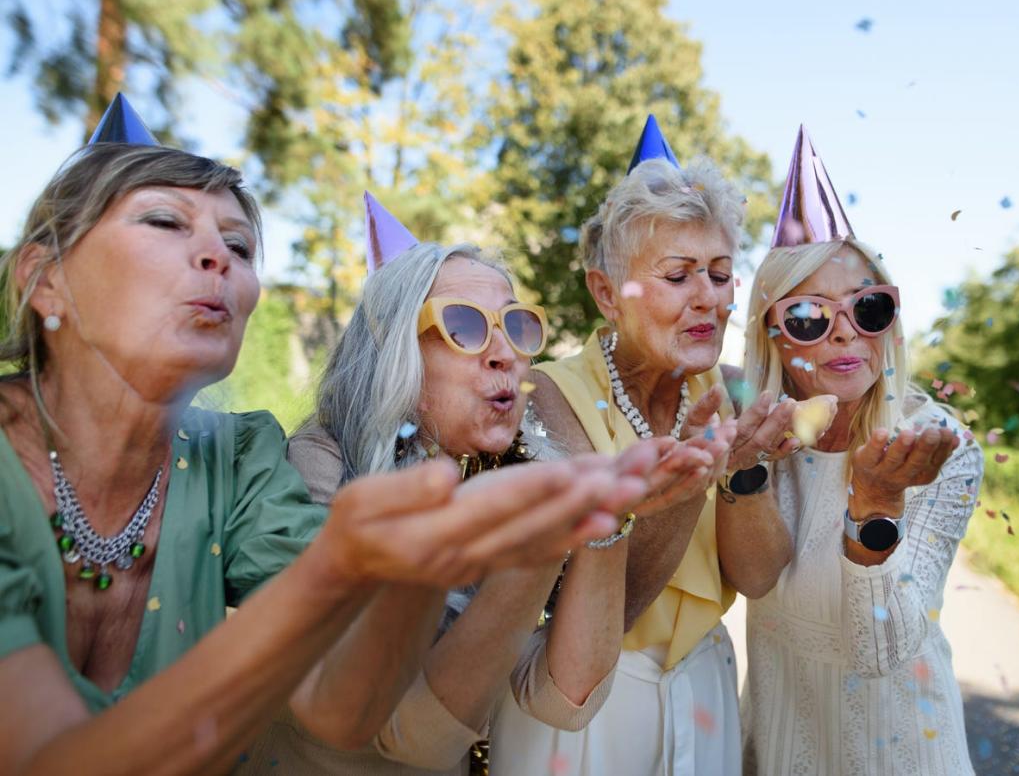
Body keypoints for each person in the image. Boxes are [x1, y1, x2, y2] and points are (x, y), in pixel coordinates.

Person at [0, 95, 649, 775]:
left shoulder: (236, 460)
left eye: (240, 244)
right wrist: (353, 563)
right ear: (44, 280)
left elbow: (340, 705)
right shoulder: (309, 462)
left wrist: (416, 565)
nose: (218, 258)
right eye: (165, 221)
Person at [243, 193, 694, 775]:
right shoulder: (322, 468)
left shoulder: (520, 468)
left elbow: (565, 698)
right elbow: (413, 736)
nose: (504, 353)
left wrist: (605, 521)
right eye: (463, 326)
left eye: (515, 324)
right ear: (394, 352)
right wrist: (544, 535)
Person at [492, 116, 795, 776]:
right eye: (678, 274)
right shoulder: (545, 398)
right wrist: (691, 480)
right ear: (606, 293)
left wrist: (744, 473)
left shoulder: (740, 390)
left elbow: (761, 577)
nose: (707, 299)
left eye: (719, 274)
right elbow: (609, 608)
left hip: (704, 689)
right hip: (581, 713)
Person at [737, 126, 983, 775]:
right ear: (771, 336)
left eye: (868, 308)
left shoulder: (938, 448)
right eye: (810, 317)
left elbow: (883, 650)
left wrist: (875, 506)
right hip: (782, 745)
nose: (845, 332)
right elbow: (745, 581)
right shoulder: (756, 443)